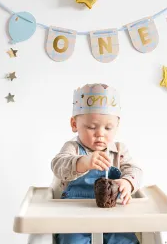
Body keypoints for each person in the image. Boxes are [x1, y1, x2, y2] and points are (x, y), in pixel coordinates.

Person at [51, 83, 142, 244]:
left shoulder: (119, 151)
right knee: (71, 241)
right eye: (92, 127)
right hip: (74, 214)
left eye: (108, 128)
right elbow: (58, 165)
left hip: (113, 214)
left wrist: (127, 182)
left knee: (124, 240)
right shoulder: (72, 148)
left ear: (117, 127)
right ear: (74, 125)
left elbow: (135, 169)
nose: (100, 133)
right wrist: (82, 162)